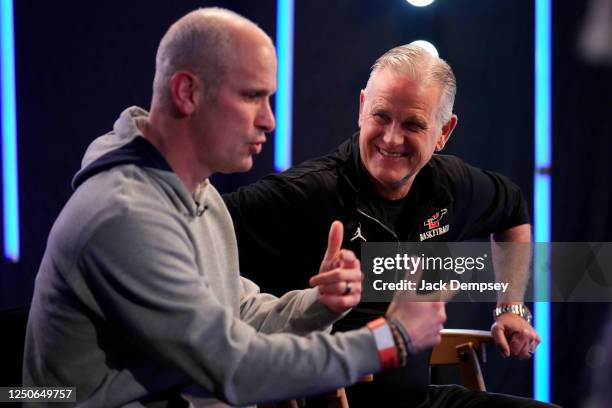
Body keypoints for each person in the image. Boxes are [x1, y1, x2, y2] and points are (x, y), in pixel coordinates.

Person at [22, 9, 449, 408]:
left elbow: (238, 314)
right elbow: (235, 366)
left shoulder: (200, 195)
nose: (270, 120)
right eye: (251, 96)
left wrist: (319, 304)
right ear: (187, 92)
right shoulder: (124, 216)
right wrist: (390, 339)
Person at [224, 45, 557, 407]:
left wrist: (510, 308)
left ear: (444, 131)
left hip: (418, 399)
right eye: (381, 116)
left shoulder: (450, 186)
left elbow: (512, 210)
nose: (391, 138)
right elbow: (198, 229)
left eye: (413, 124)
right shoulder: (305, 194)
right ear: (362, 107)